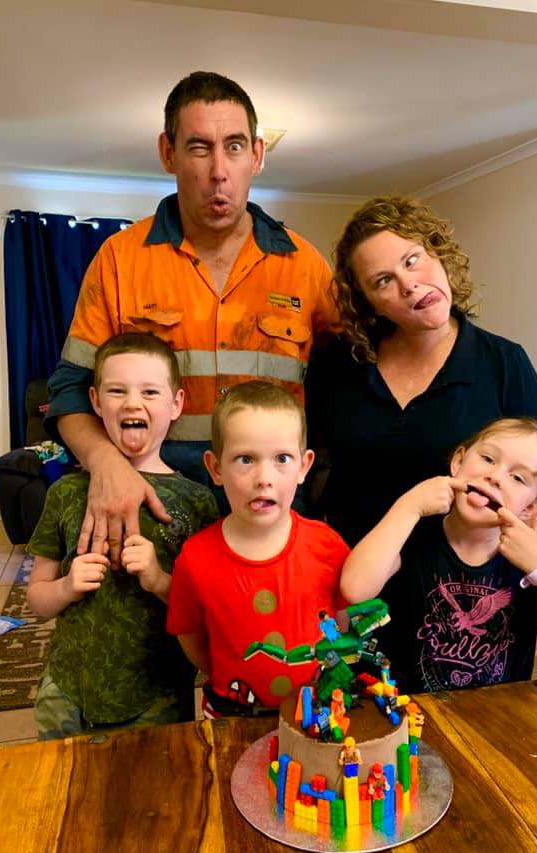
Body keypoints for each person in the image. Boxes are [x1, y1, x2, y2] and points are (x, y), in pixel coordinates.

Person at [46, 70, 339, 568]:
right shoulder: (121, 258)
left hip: (272, 514)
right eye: (200, 148)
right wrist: (104, 462)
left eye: (235, 146)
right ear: (169, 153)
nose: (219, 171)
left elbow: (348, 389)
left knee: (266, 644)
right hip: (155, 508)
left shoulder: (305, 265)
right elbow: (72, 388)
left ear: (258, 155)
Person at [305, 195, 537, 549]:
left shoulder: (504, 362)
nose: (408, 285)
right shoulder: (337, 364)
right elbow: (302, 464)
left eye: (412, 260)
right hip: (354, 571)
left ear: (438, 253)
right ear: (368, 303)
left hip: (459, 585)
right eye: (383, 281)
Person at [26, 333, 219, 739]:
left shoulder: (197, 502)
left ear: (176, 404)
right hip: (66, 696)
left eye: (150, 391)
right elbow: (37, 600)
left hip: (157, 702)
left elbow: (206, 615)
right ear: (96, 402)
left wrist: (159, 580)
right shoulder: (65, 493)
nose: (133, 403)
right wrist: (66, 586)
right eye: (117, 391)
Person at [340, 417, 537, 692]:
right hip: (407, 719)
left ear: (532, 507)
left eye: (518, 477)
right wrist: (408, 506)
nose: (495, 476)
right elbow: (354, 588)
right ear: (458, 461)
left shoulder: (532, 562)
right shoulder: (411, 534)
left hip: (492, 720)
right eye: (488, 459)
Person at [166, 381, 350, 717]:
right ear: (216, 468)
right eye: (245, 459)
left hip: (318, 714)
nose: (264, 477)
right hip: (230, 712)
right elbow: (192, 639)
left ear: (304, 467)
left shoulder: (327, 545)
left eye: (282, 458)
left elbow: (340, 623)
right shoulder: (195, 558)